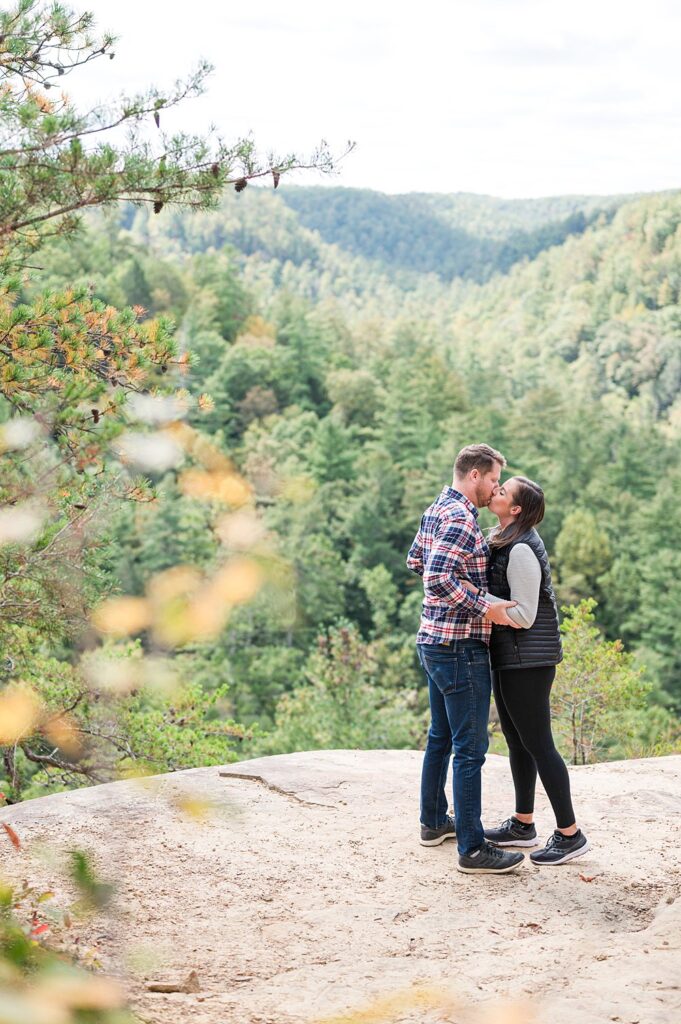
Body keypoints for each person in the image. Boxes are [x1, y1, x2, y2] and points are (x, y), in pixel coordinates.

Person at [407, 444, 525, 875]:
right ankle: (473, 850)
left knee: (441, 736)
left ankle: (434, 822)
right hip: (459, 645)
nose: (495, 488)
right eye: (493, 480)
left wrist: (456, 590)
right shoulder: (459, 517)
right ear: (474, 475)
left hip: (433, 640)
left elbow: (416, 560)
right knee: (470, 748)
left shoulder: (438, 507)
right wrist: (483, 606)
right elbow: (437, 575)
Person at [477, 476, 590, 865]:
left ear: (516, 509)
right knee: (517, 740)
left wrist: (477, 599)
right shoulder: (506, 538)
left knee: (539, 744)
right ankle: (523, 825)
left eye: (504, 491)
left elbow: (524, 616)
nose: (496, 491)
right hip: (513, 657)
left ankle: (570, 834)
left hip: (529, 660)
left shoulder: (522, 549)